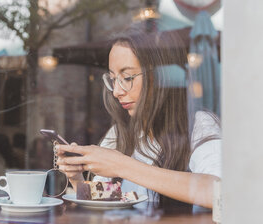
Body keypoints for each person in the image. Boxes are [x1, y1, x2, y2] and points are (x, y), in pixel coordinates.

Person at [56, 26, 221, 211]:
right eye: (112, 79)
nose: (117, 92)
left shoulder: (199, 124)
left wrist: (121, 165)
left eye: (127, 77)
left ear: (159, 77)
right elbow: (103, 204)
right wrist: (77, 179)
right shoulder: (119, 132)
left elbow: (222, 192)